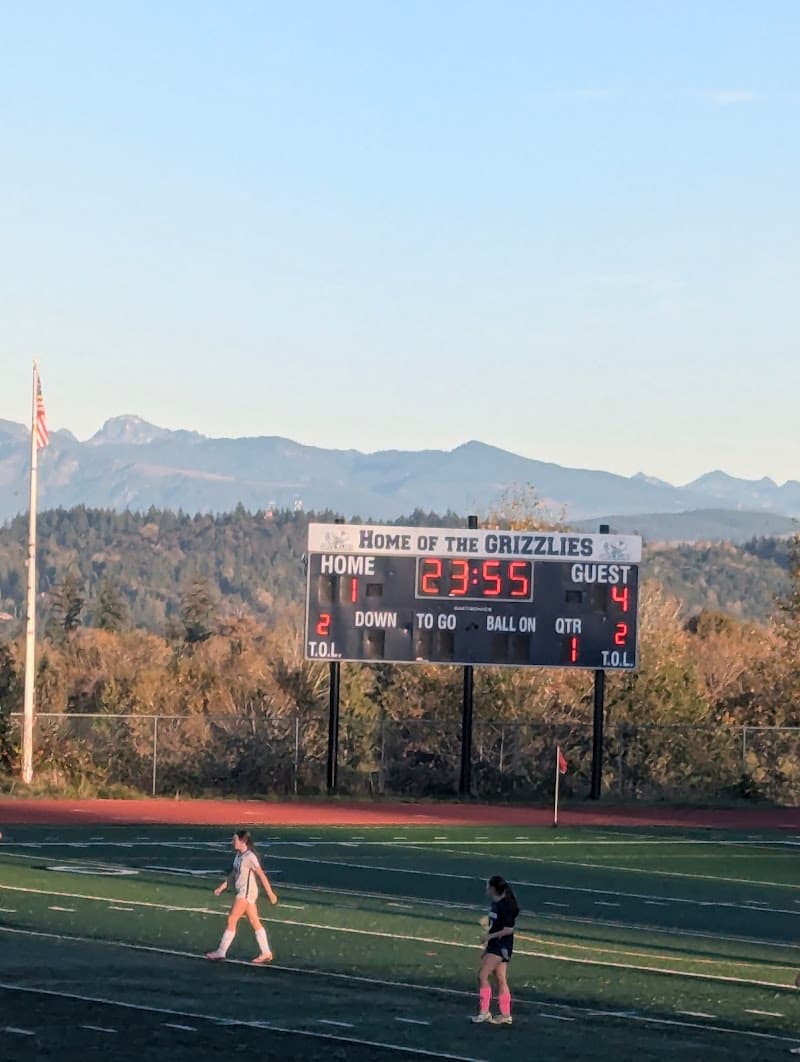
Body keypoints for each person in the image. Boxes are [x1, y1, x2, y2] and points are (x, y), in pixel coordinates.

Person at [206, 829, 278, 965]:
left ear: (243, 841)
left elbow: (261, 875)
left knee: (232, 918)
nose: (232, 842)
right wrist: (222, 887)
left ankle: (221, 951)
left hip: (246, 893)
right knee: (254, 921)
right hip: (244, 892)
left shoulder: (250, 857)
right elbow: (234, 874)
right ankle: (266, 952)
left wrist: (270, 893)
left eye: (235, 840)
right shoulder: (239, 856)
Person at [472, 874, 520, 1026]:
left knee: (482, 975)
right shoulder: (496, 904)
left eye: (488, 886)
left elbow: (508, 929)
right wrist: (487, 947)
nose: (486, 889)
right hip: (495, 945)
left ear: (493, 888)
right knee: (500, 978)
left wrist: (489, 937)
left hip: (501, 945)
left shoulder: (505, 906)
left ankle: (484, 1011)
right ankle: (505, 1014)